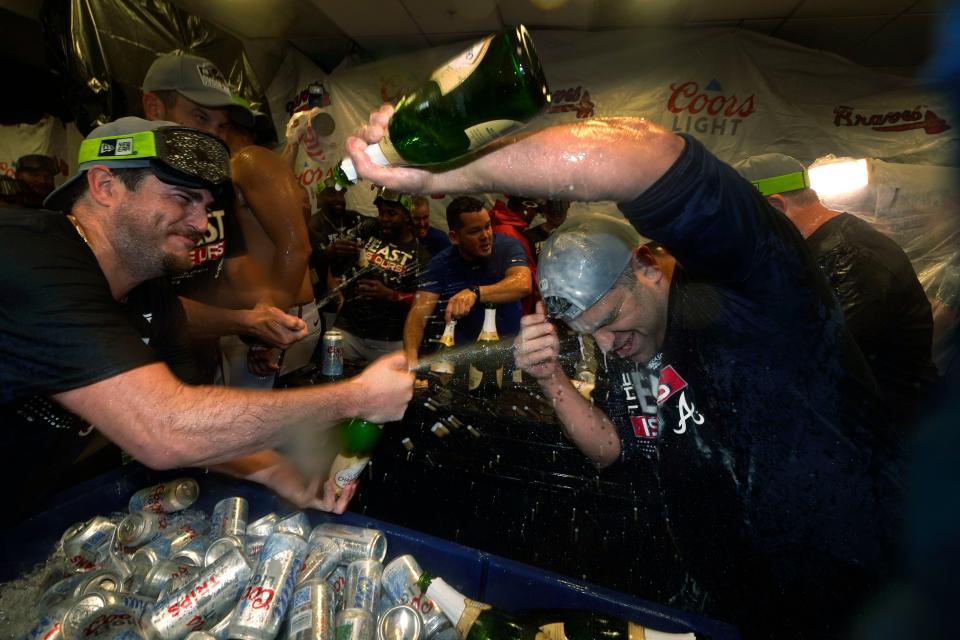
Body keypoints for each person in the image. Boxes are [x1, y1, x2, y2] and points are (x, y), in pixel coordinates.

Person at [346, 105, 903, 639]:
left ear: (649, 264)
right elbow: (611, 448)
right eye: (593, 335)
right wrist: (551, 380)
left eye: (612, 318)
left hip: (862, 599)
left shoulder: (754, 293)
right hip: (737, 607)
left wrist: (444, 171)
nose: (610, 344)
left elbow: (650, 156)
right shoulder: (630, 350)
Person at [0, 118, 414, 524]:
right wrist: (353, 398)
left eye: (206, 206)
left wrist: (281, 474)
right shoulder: (32, 255)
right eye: (181, 198)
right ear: (105, 187)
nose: (201, 224)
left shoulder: (150, 295)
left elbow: (199, 423)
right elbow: (166, 429)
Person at [735, 153, 940, 428]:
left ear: (776, 207)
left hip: (896, 437)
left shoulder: (852, 260)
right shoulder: (812, 251)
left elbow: (812, 361)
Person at [141, 51, 307, 381]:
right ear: (154, 109)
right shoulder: (129, 192)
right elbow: (148, 309)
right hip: (139, 371)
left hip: (202, 364)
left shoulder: (217, 187)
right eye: (200, 118)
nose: (212, 136)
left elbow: (234, 263)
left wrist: (265, 319)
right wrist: (244, 322)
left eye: (221, 126)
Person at [220, 111, 318, 385]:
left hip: (277, 320)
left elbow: (297, 247)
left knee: (255, 424)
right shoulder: (237, 168)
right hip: (249, 321)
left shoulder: (251, 160)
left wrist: (267, 332)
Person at [403, 196, 532, 364]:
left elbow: (523, 283)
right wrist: (410, 364)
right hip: (460, 362)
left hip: (508, 358)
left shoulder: (507, 247)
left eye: (488, 226)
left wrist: (475, 292)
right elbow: (418, 316)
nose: (486, 236)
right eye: (474, 231)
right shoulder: (440, 264)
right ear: (454, 237)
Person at [333, 187, 428, 364]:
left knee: (384, 391)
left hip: (388, 340)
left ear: (407, 215)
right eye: (381, 212)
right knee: (333, 383)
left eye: (391, 213)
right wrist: (340, 249)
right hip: (348, 330)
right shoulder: (369, 228)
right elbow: (339, 249)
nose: (384, 218)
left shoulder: (419, 255)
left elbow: (424, 301)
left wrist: (389, 294)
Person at [307, 177, 363, 332]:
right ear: (320, 198)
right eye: (331, 194)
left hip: (356, 291)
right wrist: (329, 252)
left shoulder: (355, 218)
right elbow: (311, 264)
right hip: (327, 296)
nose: (338, 199)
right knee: (330, 337)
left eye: (340, 194)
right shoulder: (314, 225)